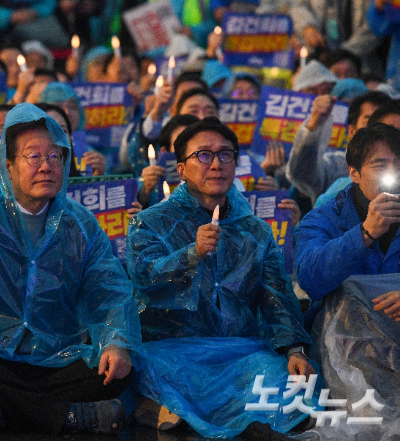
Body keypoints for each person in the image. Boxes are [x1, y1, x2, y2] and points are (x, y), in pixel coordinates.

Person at [0, 103, 141, 434]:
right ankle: (63, 415)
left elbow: (108, 289)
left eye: (55, 157)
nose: (46, 167)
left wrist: (115, 341)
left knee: (115, 370)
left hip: (56, 356)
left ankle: (1, 410)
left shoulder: (80, 223)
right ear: (8, 166)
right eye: (33, 157)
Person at [127, 117, 314, 440]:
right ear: (182, 169)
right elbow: (145, 281)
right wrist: (191, 255)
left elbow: (276, 298)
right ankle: (222, 417)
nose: (216, 164)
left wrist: (295, 350)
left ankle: (184, 415)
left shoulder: (255, 229)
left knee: (295, 383)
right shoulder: (150, 223)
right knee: (144, 369)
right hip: (172, 352)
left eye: (225, 155)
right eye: (203, 155)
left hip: (239, 353)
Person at [294, 124, 400, 426]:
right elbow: (311, 279)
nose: (392, 174)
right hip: (346, 346)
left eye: (398, 165)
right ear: (353, 173)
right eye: (380, 165)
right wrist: (365, 234)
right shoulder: (325, 217)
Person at [286, 91, 392, 205]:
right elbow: (302, 174)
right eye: (368, 122)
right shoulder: (338, 166)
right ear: (352, 131)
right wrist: (314, 123)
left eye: (383, 124)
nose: (377, 131)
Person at [290, 0, 382, 73]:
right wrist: (308, 27)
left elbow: (375, 26)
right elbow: (298, 3)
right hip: (321, 54)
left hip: (359, 63)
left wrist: (341, 54)